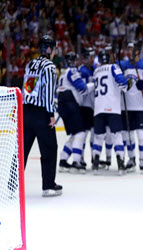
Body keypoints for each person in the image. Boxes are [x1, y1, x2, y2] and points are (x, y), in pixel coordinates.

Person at [22, 35, 62, 197]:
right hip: (41, 113)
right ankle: (48, 185)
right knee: (50, 148)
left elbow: (26, 87)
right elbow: (48, 93)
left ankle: (10, 186)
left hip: (26, 112)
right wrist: (50, 115)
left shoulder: (30, 64)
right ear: (49, 49)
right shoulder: (49, 66)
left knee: (22, 151)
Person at [119, 42, 143, 172]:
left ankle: (142, 159)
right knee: (127, 136)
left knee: (140, 135)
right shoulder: (123, 65)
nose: (128, 52)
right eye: (128, 49)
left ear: (137, 51)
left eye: (131, 49)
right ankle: (131, 158)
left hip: (140, 106)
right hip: (126, 107)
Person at [91, 50, 128, 174]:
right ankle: (120, 164)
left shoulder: (96, 71)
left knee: (98, 137)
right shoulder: (114, 67)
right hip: (112, 107)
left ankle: (95, 164)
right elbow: (123, 83)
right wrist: (127, 84)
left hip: (99, 108)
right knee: (116, 136)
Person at [57, 51, 90, 174]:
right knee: (81, 133)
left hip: (62, 103)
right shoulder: (73, 71)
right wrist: (93, 85)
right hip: (69, 101)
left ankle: (63, 160)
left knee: (75, 134)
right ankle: (77, 162)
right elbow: (82, 87)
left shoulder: (62, 74)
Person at [78, 47, 96, 166]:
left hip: (95, 107)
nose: (92, 59)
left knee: (95, 135)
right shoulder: (81, 71)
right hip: (84, 107)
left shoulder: (96, 69)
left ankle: (95, 158)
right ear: (85, 58)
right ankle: (81, 157)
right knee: (83, 135)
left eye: (93, 56)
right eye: (90, 56)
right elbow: (81, 89)